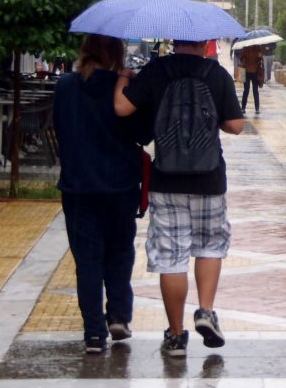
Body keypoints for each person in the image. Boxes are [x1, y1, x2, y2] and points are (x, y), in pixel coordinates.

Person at [114, 39, 244, 358]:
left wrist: (122, 78)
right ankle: (205, 311)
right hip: (209, 178)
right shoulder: (216, 74)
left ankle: (175, 335)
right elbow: (236, 126)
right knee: (210, 245)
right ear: (204, 43)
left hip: (166, 178)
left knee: (172, 257)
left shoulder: (157, 70)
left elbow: (122, 108)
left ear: (175, 41)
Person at [53, 35, 146, 354]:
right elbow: (143, 134)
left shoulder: (65, 86)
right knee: (120, 252)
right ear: (117, 53)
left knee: (87, 260)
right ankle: (119, 316)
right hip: (121, 185)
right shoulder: (122, 89)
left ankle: (94, 333)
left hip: (78, 186)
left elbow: (59, 129)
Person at [239, 44, 265, 115]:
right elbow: (241, 59)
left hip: (255, 72)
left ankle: (256, 108)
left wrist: (260, 56)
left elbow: (261, 60)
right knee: (247, 90)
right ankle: (244, 108)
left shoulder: (257, 47)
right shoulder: (246, 48)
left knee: (254, 90)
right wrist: (244, 59)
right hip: (247, 72)